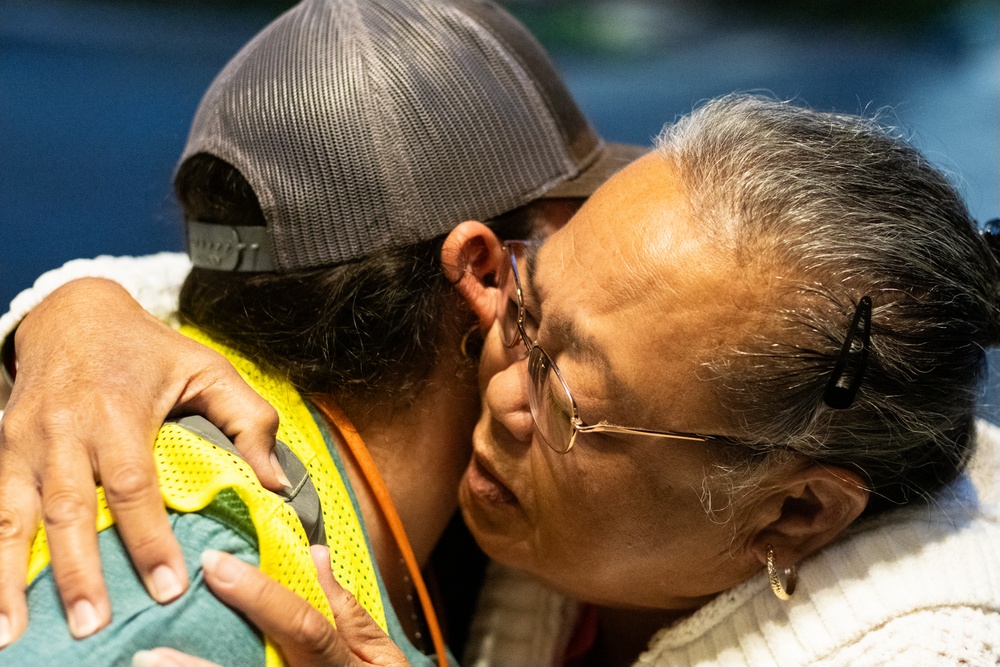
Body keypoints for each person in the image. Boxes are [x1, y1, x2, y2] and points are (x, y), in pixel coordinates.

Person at [9, 94, 1000, 667]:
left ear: (794, 513)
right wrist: (81, 317)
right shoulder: (627, 462)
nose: (500, 393)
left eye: (572, 398)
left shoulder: (922, 645)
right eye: (524, 312)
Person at [0, 0, 646, 663]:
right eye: (576, 223)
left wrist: (75, 305)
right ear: (487, 272)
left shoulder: (459, 526)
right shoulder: (192, 589)